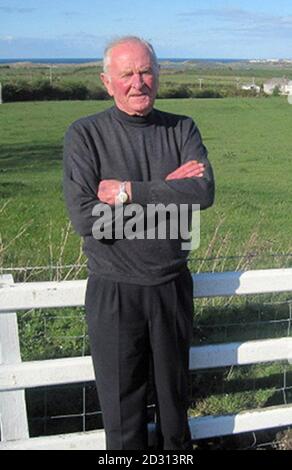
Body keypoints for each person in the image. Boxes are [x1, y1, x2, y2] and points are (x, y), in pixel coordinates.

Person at [63, 36, 215, 450]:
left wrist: (129, 192)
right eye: (126, 73)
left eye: (146, 71)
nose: (138, 82)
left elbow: (201, 194)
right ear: (106, 81)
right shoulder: (85, 135)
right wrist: (169, 197)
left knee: (174, 410)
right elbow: (85, 219)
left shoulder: (181, 128)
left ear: (158, 75)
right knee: (122, 412)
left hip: (171, 287)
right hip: (114, 290)